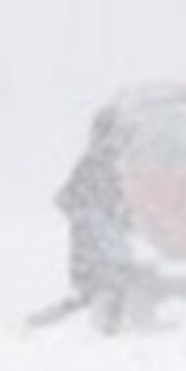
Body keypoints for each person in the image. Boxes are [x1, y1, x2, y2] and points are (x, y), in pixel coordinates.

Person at [55, 108, 150, 334]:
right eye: (121, 135)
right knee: (109, 293)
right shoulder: (97, 166)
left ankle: (110, 329)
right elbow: (73, 201)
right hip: (99, 255)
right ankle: (109, 333)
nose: (125, 143)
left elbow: (69, 200)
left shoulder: (101, 165)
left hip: (97, 254)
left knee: (108, 293)